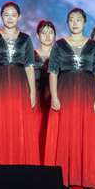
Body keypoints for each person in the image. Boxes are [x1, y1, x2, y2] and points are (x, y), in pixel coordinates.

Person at [42, 8, 95, 189]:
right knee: (66, 133)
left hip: (88, 92)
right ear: (67, 23)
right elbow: (53, 72)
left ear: (85, 23)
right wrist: (54, 96)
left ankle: (88, 178)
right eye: (71, 19)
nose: (75, 23)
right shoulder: (59, 45)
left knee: (88, 134)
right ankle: (65, 178)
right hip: (65, 92)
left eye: (78, 19)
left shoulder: (93, 46)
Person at [0, 1, 38, 165]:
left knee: (18, 123)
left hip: (20, 86)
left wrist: (32, 92)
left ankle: (20, 164)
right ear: (1, 17)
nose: (10, 18)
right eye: (6, 15)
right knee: (0, 124)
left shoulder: (25, 39)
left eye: (13, 15)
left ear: (19, 17)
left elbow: (29, 67)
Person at [33, 20, 56, 161]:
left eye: (51, 33)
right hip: (36, 97)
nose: (47, 36)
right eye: (43, 33)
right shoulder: (31, 55)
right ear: (37, 35)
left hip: (54, 97)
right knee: (36, 131)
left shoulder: (60, 55)